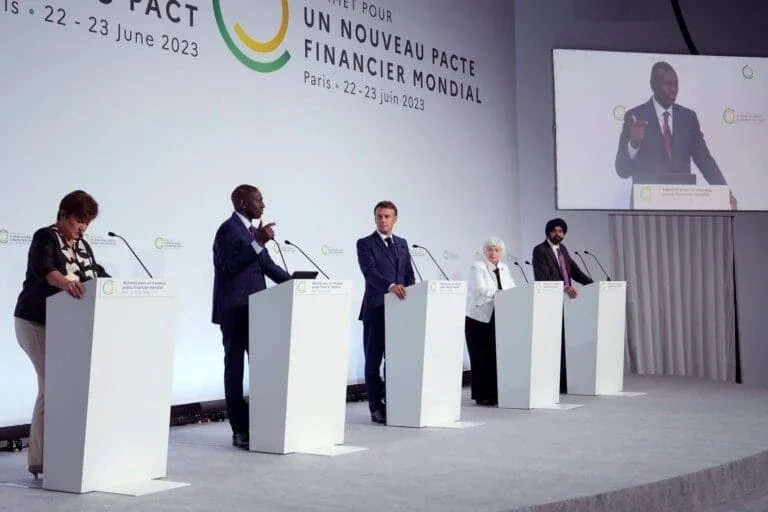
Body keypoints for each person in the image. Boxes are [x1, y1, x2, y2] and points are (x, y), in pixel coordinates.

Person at [13, 190, 110, 479]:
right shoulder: (45, 236)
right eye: (79, 220)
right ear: (64, 214)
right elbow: (47, 271)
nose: (82, 227)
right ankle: (40, 459)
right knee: (51, 386)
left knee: (58, 387)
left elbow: (96, 274)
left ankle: (56, 453)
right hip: (34, 322)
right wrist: (67, 283)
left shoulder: (82, 245)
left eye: (87, 222)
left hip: (65, 326)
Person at [212, 185, 291, 449]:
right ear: (243, 202)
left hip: (258, 312)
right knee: (235, 371)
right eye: (259, 200)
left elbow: (267, 266)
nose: (263, 205)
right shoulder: (227, 230)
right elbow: (230, 265)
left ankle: (260, 424)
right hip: (234, 312)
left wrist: (296, 284)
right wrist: (258, 242)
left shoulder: (251, 233)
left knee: (263, 369)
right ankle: (239, 430)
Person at [615, 61, 736, 209]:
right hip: (646, 211)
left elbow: (705, 160)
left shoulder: (688, 118)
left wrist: (724, 192)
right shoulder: (635, 117)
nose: (674, 90)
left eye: (676, 84)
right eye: (668, 84)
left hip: (682, 210)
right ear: (653, 85)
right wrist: (634, 143)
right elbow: (622, 170)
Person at [356, 200, 415, 424]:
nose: (383, 220)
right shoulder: (365, 243)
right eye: (379, 216)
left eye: (387, 216)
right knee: (373, 362)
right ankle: (375, 407)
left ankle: (394, 402)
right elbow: (369, 273)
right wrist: (390, 287)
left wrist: (413, 294)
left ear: (395, 219)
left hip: (398, 311)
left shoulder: (402, 243)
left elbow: (408, 274)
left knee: (395, 361)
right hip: (376, 309)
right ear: (375, 218)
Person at [531, 218, 593, 393]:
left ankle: (565, 381)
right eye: (554, 231)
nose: (557, 234)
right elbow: (542, 277)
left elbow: (574, 271)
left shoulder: (563, 250)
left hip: (566, 303)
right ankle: (553, 381)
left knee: (566, 343)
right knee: (554, 343)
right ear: (548, 232)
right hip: (550, 302)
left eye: (560, 231)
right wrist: (564, 287)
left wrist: (593, 285)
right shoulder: (540, 250)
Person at [465, 237, 516, 406]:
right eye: (490, 249)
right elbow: (480, 289)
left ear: (501, 253)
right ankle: (482, 395)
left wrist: (506, 293)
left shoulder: (504, 268)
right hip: (479, 317)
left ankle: (496, 393)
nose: (493, 253)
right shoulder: (477, 266)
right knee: (481, 356)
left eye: (496, 250)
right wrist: (501, 292)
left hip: (499, 315)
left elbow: (512, 287)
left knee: (496, 355)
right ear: (484, 252)